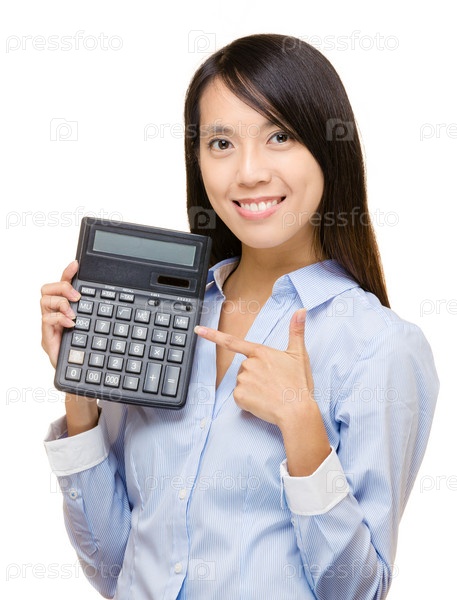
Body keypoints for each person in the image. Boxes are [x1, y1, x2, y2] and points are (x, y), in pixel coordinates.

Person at [41, 33, 439, 599]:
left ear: (329, 149)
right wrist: (81, 394)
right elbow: (115, 568)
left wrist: (302, 427)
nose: (248, 172)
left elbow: (358, 591)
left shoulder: (378, 347)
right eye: (222, 143)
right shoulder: (164, 319)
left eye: (280, 136)